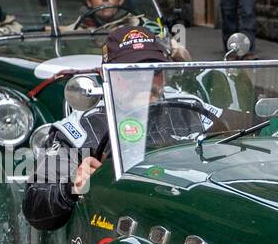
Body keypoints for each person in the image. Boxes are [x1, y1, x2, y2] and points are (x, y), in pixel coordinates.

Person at [23, 27, 222, 229]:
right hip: (117, 232)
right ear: (105, 74)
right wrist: (70, 187)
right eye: (131, 71)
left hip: (188, 220)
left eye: (155, 70)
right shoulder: (81, 129)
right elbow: (34, 206)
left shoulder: (192, 110)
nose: (145, 80)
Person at [65, 0, 191, 60]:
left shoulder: (141, 26)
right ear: (88, 1)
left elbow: (183, 56)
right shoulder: (77, 28)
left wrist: (166, 45)